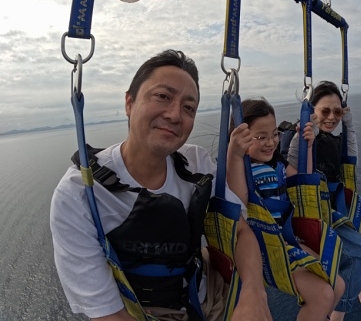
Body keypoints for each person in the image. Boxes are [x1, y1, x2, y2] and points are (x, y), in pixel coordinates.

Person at [50, 50, 273, 321]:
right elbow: (109, 314)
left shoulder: (195, 163)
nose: (175, 115)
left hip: (205, 294)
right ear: (129, 103)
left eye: (188, 108)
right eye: (163, 96)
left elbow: (240, 230)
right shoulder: (79, 193)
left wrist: (253, 293)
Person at [226, 97, 345, 321]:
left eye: (274, 134)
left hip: (286, 241)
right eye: (261, 137)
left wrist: (308, 146)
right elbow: (238, 202)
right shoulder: (243, 170)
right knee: (322, 295)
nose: (271, 142)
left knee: (338, 285)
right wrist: (234, 154)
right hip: (266, 249)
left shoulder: (277, 164)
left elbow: (301, 180)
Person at [287, 81, 361, 320]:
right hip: (316, 210)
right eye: (325, 111)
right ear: (312, 111)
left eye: (337, 112)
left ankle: (359, 284)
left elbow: (350, 157)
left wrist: (349, 125)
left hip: (336, 205)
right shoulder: (301, 138)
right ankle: (338, 313)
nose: (332, 117)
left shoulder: (332, 140)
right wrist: (305, 136)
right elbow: (294, 175)